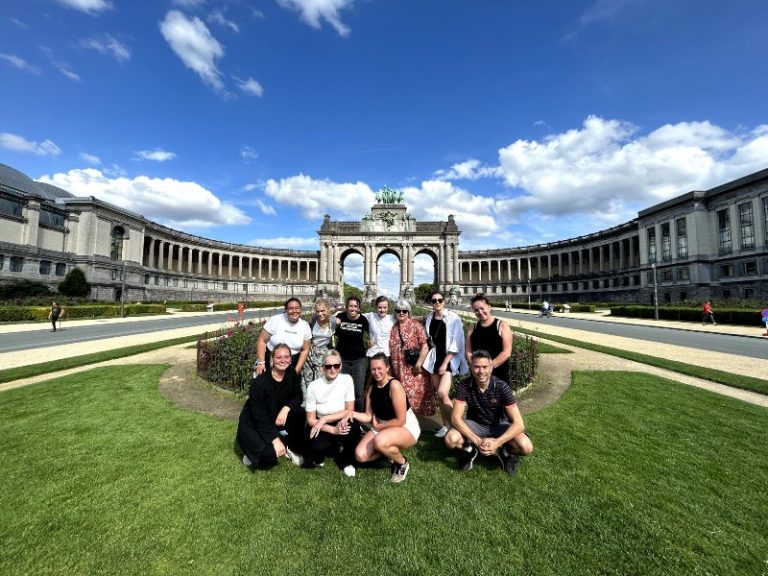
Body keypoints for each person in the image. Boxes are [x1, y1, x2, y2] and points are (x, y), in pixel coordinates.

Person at [444, 350, 533, 475]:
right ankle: (470, 450)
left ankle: (505, 453)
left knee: (526, 446)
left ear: (491, 367)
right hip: (475, 424)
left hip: (499, 425)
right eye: (477, 367)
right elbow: (455, 418)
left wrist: (497, 443)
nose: (481, 371)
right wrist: (477, 441)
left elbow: (519, 424)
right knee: (450, 439)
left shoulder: (502, 387)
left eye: (485, 367)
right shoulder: (464, 386)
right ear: (471, 367)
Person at [352, 353, 420, 483]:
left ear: (387, 367)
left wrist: (379, 427)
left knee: (380, 441)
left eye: (379, 368)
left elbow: (401, 420)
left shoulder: (394, 385)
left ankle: (402, 462)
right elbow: (367, 416)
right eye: (373, 369)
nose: (376, 372)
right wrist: (350, 413)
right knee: (360, 455)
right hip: (382, 426)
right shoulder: (372, 388)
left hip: (405, 427)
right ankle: (386, 454)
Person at [236, 343, 305, 470]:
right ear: (272, 359)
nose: (283, 360)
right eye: (279, 357)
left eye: (286, 357)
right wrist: (274, 439)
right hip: (254, 422)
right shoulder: (259, 384)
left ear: (290, 359)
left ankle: (290, 446)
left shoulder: (292, 373)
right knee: (268, 457)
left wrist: (286, 408)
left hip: (276, 414)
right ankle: (249, 450)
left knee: (301, 415)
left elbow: (298, 396)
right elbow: (259, 416)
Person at [305, 349, 363, 476]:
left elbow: (349, 410)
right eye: (328, 366)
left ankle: (348, 462)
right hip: (320, 423)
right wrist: (332, 429)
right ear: (322, 368)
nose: (332, 369)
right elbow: (310, 419)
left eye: (336, 365)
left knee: (352, 429)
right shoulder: (313, 386)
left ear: (341, 366)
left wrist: (325, 419)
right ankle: (328, 449)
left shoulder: (347, 380)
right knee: (317, 447)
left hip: (339, 418)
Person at [424, 290, 468, 438]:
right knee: (440, 395)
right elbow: (429, 335)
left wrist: (445, 363)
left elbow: (457, 342)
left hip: (448, 360)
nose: (437, 303)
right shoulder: (430, 318)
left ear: (444, 301)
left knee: (443, 393)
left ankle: (458, 426)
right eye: (434, 300)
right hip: (434, 359)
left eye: (439, 300)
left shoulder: (453, 317)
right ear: (431, 303)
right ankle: (445, 425)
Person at [388, 299, 433, 416]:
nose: (401, 313)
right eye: (398, 311)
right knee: (400, 394)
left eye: (404, 311)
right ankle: (404, 420)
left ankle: (412, 423)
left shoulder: (416, 325)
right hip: (397, 368)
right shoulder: (394, 326)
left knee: (412, 395)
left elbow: (425, 346)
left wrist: (419, 364)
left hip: (412, 367)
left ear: (409, 312)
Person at [255, 298, 311, 376]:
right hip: (271, 361)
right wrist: (261, 363)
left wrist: (296, 370)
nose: (294, 311)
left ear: (301, 310)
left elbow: (305, 350)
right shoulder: (276, 320)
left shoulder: (305, 326)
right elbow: (261, 341)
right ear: (286, 310)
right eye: (291, 308)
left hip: (292, 363)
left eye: (297, 308)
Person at [466, 293, 513, 385]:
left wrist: (488, 367)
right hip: (478, 375)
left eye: (482, 308)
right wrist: (476, 367)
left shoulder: (502, 325)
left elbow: (507, 352)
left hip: (498, 373)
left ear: (489, 307)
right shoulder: (472, 327)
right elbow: (468, 350)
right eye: (476, 310)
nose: (480, 312)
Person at [334, 296, 370, 411]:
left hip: (359, 359)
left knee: (358, 392)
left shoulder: (363, 320)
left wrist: (370, 342)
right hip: (342, 359)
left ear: (359, 308)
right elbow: (326, 322)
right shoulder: (340, 317)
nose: (352, 308)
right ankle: (343, 416)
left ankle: (358, 419)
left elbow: (373, 334)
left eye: (355, 306)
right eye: (350, 306)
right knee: (342, 390)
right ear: (346, 307)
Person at [301, 298, 337, 402]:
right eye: (317, 311)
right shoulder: (313, 320)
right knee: (307, 379)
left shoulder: (333, 321)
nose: (320, 314)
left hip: (324, 353)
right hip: (310, 352)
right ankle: (307, 405)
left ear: (328, 310)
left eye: (323, 311)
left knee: (320, 380)